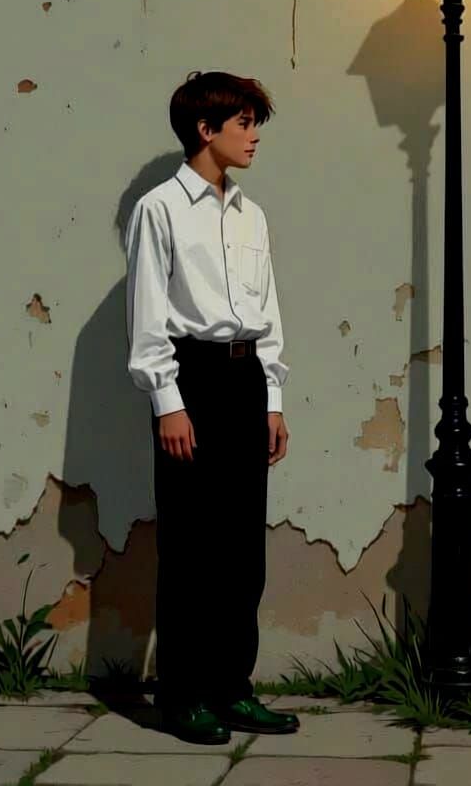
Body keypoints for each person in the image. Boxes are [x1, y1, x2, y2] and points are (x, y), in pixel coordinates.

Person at [124, 70, 299, 745]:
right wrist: (168, 403)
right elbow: (147, 318)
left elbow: (268, 312)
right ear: (206, 129)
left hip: (245, 380)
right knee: (192, 548)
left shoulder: (250, 214)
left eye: (256, 122)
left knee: (240, 551)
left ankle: (232, 689)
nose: (255, 136)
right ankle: (183, 696)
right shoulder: (158, 209)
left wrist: (273, 398)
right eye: (244, 122)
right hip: (190, 380)